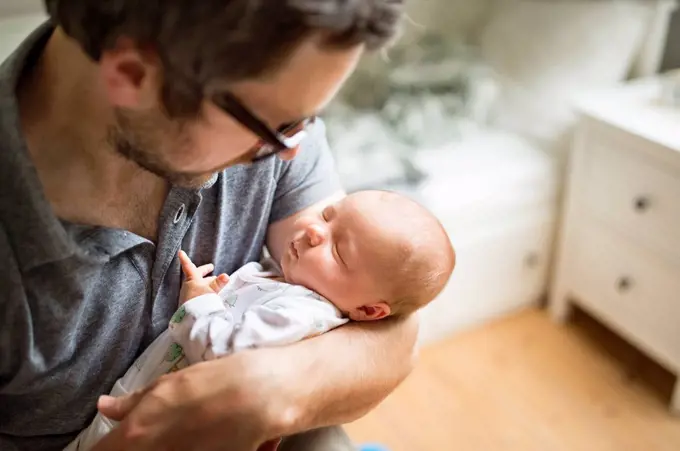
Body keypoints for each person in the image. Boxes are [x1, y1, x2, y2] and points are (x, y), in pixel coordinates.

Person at [0, 1, 418, 451]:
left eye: (304, 121)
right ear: (133, 76)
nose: (291, 151)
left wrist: (261, 394)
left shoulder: (252, 101)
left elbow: (393, 327)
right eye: (279, 128)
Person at [66, 190, 456, 451]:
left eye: (338, 250)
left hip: (161, 430)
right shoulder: (289, 277)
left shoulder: (304, 314)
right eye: (327, 215)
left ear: (369, 311)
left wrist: (199, 302)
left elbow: (227, 355)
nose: (315, 231)